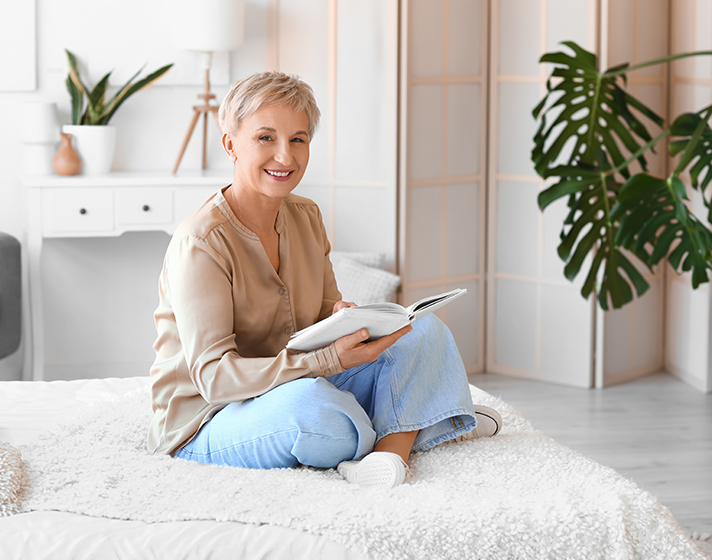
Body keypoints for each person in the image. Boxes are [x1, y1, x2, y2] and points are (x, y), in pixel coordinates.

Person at [147, 71, 502, 488]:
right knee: (313, 409)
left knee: (424, 331)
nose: (285, 156)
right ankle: (422, 424)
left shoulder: (306, 216)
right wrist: (327, 360)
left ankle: (388, 455)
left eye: (298, 139)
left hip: (292, 380)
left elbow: (321, 314)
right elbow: (215, 379)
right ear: (230, 144)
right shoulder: (201, 242)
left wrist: (345, 320)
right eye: (266, 138)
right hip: (211, 419)